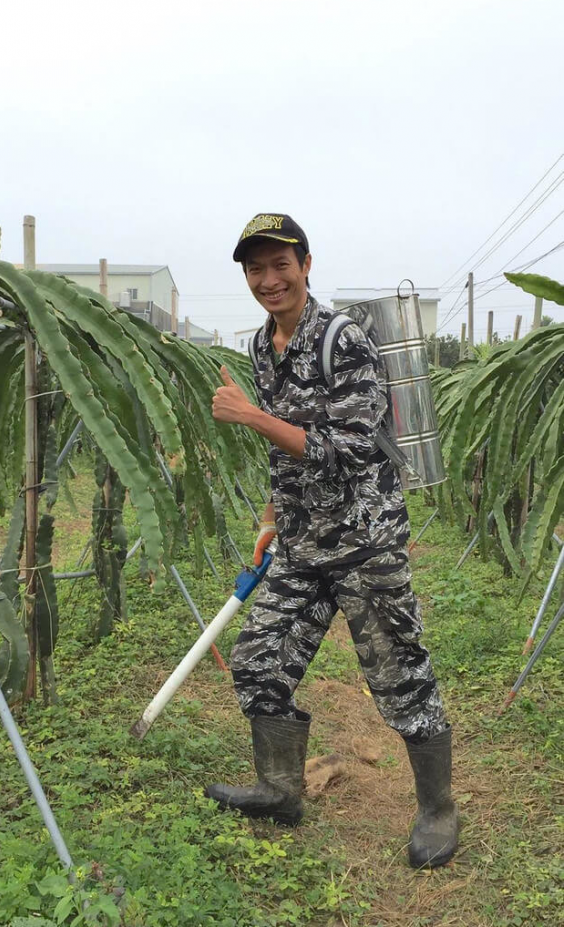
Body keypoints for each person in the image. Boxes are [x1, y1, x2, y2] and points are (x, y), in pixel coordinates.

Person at [207, 213, 458, 869]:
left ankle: (438, 808)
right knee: (260, 661)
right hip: (300, 545)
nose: (268, 279)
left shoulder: (343, 341)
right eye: (255, 268)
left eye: (279, 264)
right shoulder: (265, 348)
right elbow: (285, 457)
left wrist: (252, 416)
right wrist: (270, 521)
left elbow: (342, 450)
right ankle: (280, 788)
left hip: (364, 544)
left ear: (306, 264)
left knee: (400, 677)